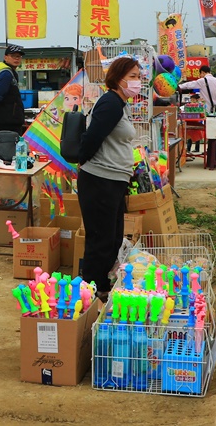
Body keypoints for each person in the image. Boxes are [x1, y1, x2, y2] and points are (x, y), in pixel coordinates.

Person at [77, 57, 141, 298]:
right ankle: (91, 293)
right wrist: (83, 161)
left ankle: (101, 286)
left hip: (113, 181)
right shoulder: (111, 104)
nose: (138, 81)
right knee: (101, 240)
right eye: (132, 76)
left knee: (112, 238)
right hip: (100, 180)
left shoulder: (119, 103)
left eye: (139, 76)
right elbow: (91, 137)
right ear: (117, 77)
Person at [0, 44, 25, 135]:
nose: (16, 59)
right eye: (13, 56)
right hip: (8, 124)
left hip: (8, 122)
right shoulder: (6, 74)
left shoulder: (10, 72)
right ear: (6, 58)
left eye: (18, 56)